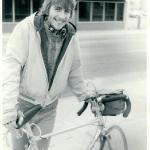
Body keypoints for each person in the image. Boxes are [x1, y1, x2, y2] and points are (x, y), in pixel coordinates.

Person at [2, 0, 96, 149]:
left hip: (49, 109)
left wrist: (84, 94)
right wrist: (8, 110)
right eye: (57, 9)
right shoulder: (26, 29)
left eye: (67, 11)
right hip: (23, 108)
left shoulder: (71, 36)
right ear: (48, 8)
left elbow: (75, 69)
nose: (62, 16)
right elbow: (10, 69)